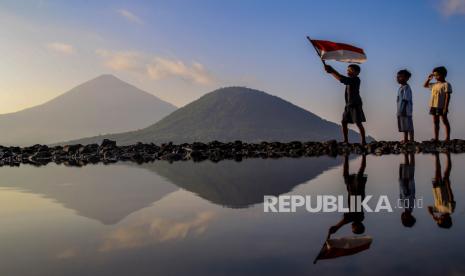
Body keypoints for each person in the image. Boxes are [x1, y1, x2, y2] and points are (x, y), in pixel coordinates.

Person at [324, 64, 367, 145]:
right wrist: (331, 71)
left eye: (350, 70)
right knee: (344, 122)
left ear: (357, 72)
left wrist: (332, 71)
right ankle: (346, 140)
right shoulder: (350, 80)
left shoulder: (356, 80)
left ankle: (363, 141)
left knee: (358, 123)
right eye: (348, 70)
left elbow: (342, 79)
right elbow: (342, 79)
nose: (348, 72)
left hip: (355, 104)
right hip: (348, 105)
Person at [328, 154, 367, 236]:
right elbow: (346, 219)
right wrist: (336, 227)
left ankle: (346, 156)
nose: (351, 227)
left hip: (354, 194)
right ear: (357, 226)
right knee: (360, 173)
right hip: (356, 194)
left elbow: (347, 219)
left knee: (346, 175)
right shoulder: (358, 218)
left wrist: (337, 227)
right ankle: (364, 155)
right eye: (353, 228)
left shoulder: (359, 218)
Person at [423, 66, 452, 142]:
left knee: (445, 121)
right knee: (436, 122)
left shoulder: (446, 84)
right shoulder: (434, 84)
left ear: (443, 75)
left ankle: (447, 138)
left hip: (441, 106)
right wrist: (429, 78)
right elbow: (425, 85)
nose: (436, 77)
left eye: (437, 75)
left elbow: (447, 96)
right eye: (435, 75)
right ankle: (436, 138)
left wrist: (446, 107)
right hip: (433, 105)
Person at [428, 152, 455, 229]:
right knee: (446, 173)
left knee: (437, 171)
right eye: (440, 219)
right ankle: (448, 155)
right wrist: (448, 185)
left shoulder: (439, 210)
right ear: (446, 219)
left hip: (436, 190)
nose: (439, 218)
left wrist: (434, 216)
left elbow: (429, 208)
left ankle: (437, 155)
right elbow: (451, 197)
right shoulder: (450, 210)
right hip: (444, 189)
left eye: (439, 219)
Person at [396, 70, 414, 143]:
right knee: (404, 125)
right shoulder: (401, 87)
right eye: (397, 77)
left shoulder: (406, 88)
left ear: (406, 78)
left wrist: (403, 110)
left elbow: (405, 99)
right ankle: (406, 139)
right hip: (400, 109)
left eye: (400, 77)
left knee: (409, 125)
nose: (397, 78)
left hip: (405, 110)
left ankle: (411, 139)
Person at [399, 153, 416, 228]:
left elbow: (402, 194)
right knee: (409, 166)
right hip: (407, 182)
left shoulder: (407, 207)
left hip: (405, 182)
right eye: (403, 219)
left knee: (408, 166)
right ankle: (410, 152)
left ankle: (408, 153)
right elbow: (408, 193)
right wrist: (406, 182)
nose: (402, 217)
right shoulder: (409, 207)